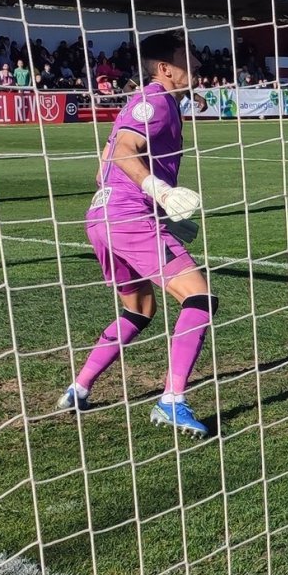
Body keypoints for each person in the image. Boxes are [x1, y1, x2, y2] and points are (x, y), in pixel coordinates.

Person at [57, 30, 215, 438]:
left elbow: (104, 164)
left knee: (139, 310)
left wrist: (158, 212)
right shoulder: (156, 101)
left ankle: (79, 387)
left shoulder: (155, 101)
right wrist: (158, 192)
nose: (196, 64)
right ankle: (172, 401)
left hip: (102, 218)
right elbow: (125, 151)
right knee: (199, 297)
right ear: (165, 68)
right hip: (127, 218)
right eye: (187, 58)